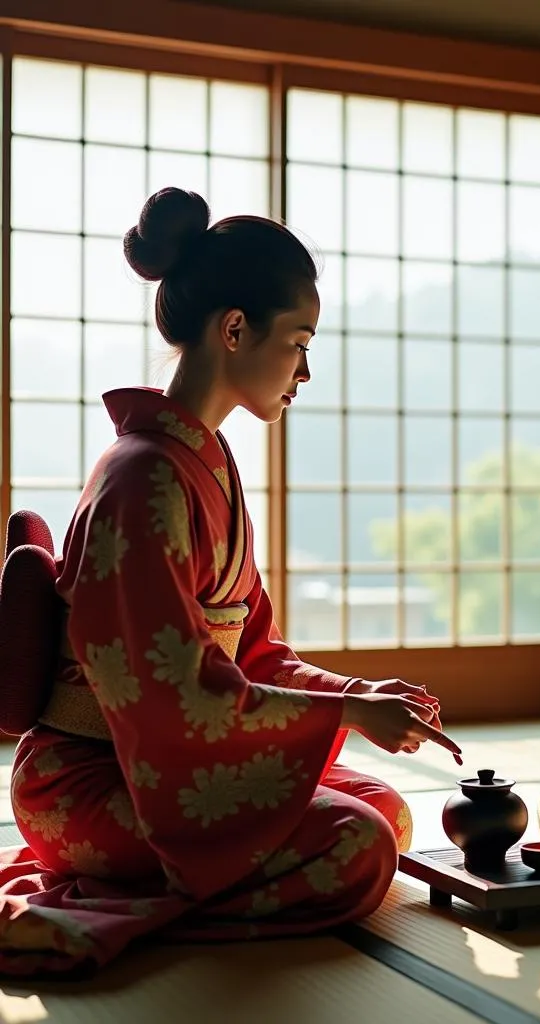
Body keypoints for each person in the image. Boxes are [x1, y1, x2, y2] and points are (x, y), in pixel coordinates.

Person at [0, 187, 463, 976]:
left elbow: (250, 650)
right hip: (89, 777)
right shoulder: (141, 479)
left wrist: (354, 693)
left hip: (155, 760)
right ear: (236, 329)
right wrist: (344, 710)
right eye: (299, 342)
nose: (305, 371)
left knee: (383, 807)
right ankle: (103, 913)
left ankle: (134, 892)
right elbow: (169, 697)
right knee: (359, 843)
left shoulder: (203, 460)